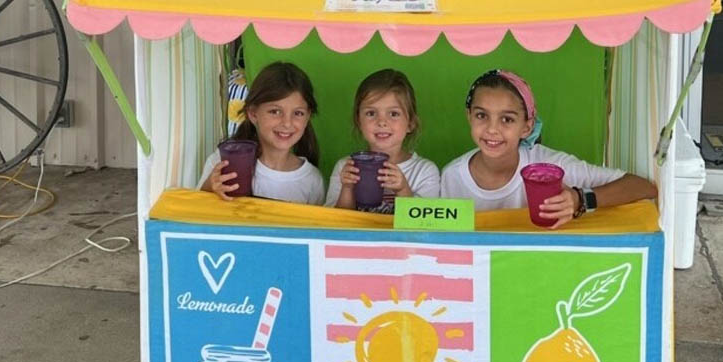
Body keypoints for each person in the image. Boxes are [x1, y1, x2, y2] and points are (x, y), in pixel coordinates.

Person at [440, 69, 656, 228]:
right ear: (469, 116)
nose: (492, 129)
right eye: (481, 115)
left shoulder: (551, 166)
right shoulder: (451, 176)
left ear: (527, 127)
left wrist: (580, 199)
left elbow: (643, 186)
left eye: (507, 119)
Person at [199, 61, 324, 204]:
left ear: (308, 117)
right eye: (275, 111)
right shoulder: (222, 163)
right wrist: (209, 188)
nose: (287, 123)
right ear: (253, 114)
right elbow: (193, 215)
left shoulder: (313, 180)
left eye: (298, 113)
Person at [327, 69, 439, 213]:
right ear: (358, 121)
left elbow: (425, 227)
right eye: (371, 113)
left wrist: (403, 190)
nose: (382, 122)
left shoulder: (424, 171)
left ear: (410, 123)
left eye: (393, 114)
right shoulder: (345, 167)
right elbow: (335, 226)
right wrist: (347, 188)